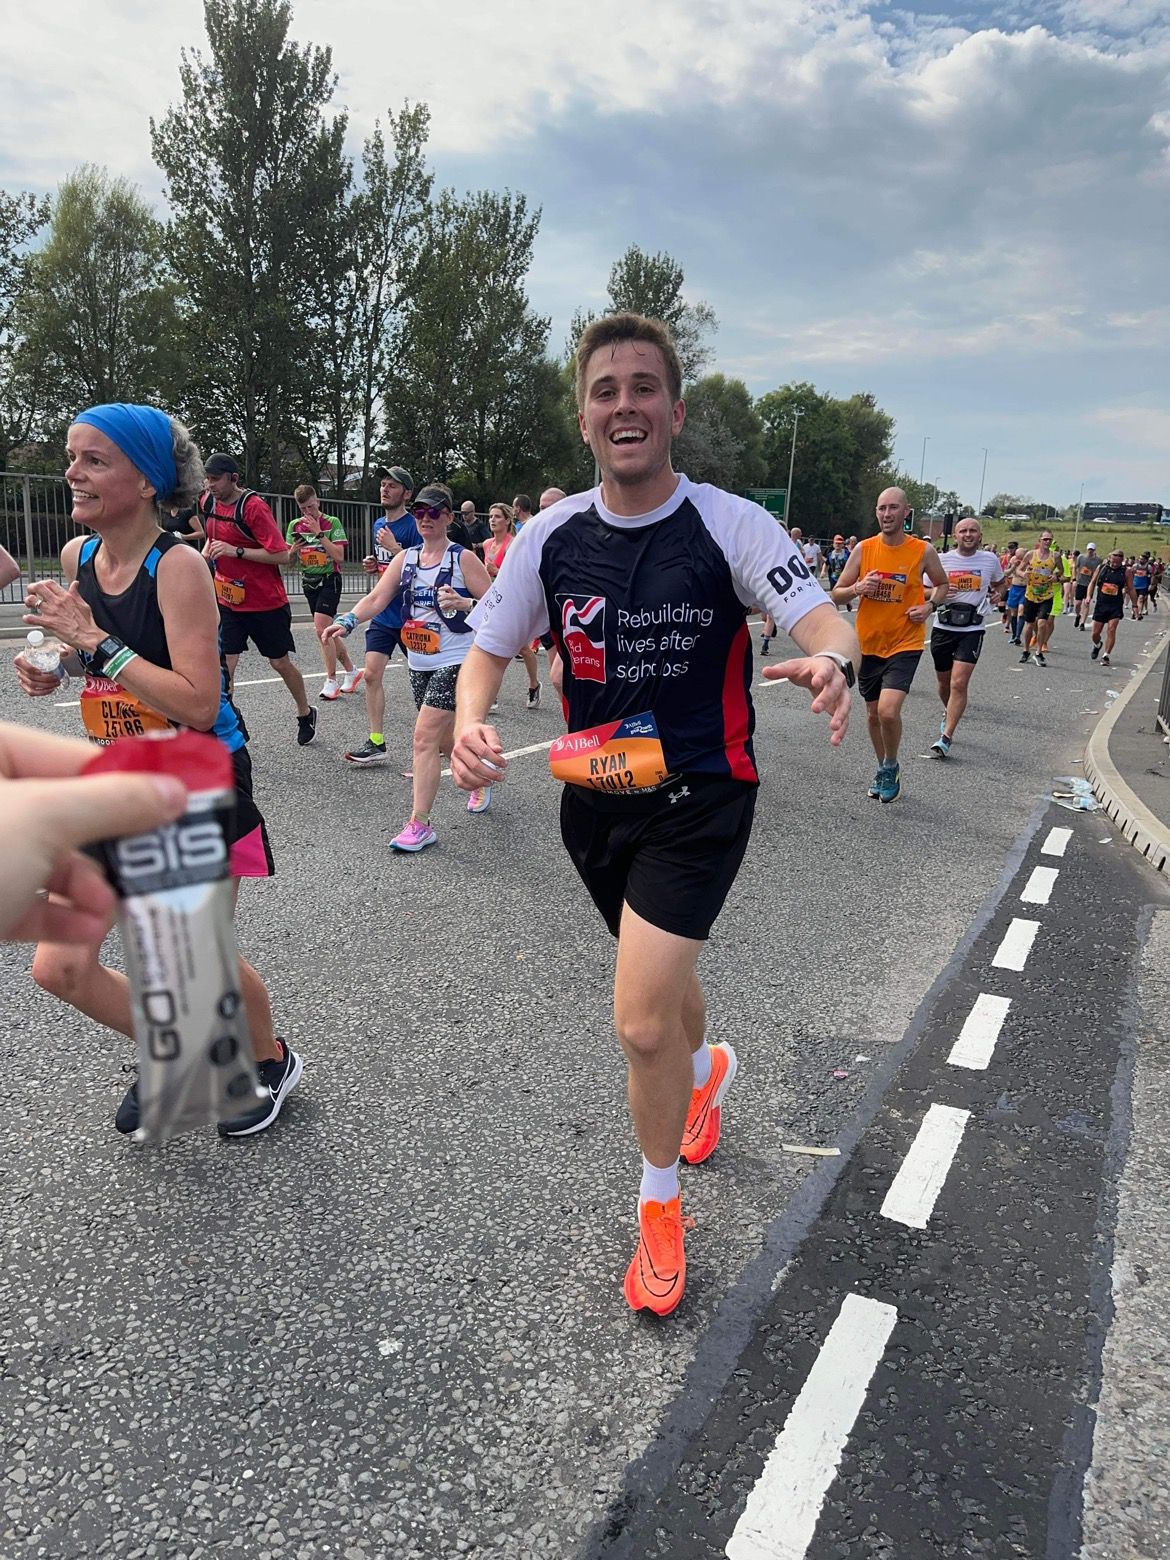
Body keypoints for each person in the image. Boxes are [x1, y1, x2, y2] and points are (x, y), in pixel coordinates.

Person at [451, 312, 858, 1317]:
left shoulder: (727, 525)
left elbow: (819, 614)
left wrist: (833, 660)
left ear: (673, 412)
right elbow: (487, 649)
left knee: (637, 1022)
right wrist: (467, 720)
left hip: (701, 797)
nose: (624, 404)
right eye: (605, 390)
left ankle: (659, 1201)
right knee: (666, 1001)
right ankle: (708, 1069)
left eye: (643, 387)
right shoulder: (549, 538)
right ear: (585, 420)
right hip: (595, 798)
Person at [16, 403, 301, 1137]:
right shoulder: (80, 556)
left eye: (94, 460)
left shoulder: (178, 568)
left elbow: (201, 704)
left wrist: (94, 643)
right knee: (61, 967)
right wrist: (53, 662)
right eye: (72, 456)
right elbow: (88, 653)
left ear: (144, 481)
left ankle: (267, 1060)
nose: (72, 472)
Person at [326, 484, 493, 843]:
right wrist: (348, 621)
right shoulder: (407, 559)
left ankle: (421, 824)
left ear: (448, 517)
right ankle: (481, 774)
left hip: (457, 658)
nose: (425, 519)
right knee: (442, 740)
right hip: (419, 661)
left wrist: (465, 605)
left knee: (422, 737)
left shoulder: (462, 558)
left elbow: (499, 603)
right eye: (419, 512)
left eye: (434, 512)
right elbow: (377, 596)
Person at [0, 722, 188, 942]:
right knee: (58, 969)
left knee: (185, 939)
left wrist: (121, 683)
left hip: (173, 774)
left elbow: (201, 710)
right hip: (104, 777)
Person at [831, 487, 948, 803]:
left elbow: (942, 584)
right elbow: (836, 593)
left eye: (893, 508)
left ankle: (891, 763)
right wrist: (858, 587)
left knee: (887, 710)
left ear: (906, 511)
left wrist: (929, 607)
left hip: (904, 642)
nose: (887, 514)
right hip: (868, 645)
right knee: (872, 715)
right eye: (882, 508)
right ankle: (885, 768)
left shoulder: (921, 551)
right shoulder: (864, 550)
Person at [202, 452, 317, 746]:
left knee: (279, 663)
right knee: (224, 667)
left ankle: (305, 712)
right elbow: (212, 538)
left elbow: (281, 555)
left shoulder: (253, 508)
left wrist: (235, 551)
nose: (210, 485)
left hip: (265, 602)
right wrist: (207, 555)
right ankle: (228, 727)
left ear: (234, 478)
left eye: (215, 479)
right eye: (207, 479)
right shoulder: (207, 502)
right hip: (228, 600)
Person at [345, 466, 422, 765]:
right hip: (383, 614)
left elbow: (424, 571)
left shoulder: (416, 526)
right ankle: (377, 742)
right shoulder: (379, 522)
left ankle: (440, 736)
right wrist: (374, 563)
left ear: (407, 493)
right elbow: (387, 569)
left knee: (423, 682)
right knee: (372, 675)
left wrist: (396, 548)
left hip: (412, 616)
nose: (385, 489)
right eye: (383, 484)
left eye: (392, 485)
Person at [928, 518, 1005, 759]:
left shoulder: (990, 560)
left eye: (973, 531)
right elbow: (922, 589)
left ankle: (946, 737)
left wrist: (998, 595)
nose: (968, 535)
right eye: (963, 531)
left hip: (972, 629)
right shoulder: (942, 560)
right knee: (944, 684)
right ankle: (948, 711)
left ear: (980, 536)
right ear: (955, 535)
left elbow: (1002, 584)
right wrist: (937, 592)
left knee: (959, 684)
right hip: (943, 627)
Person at [286, 484, 359, 701]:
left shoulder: (331, 522)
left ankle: (331, 681)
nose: (308, 512)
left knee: (320, 629)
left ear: (318, 501)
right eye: (303, 509)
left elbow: (339, 556)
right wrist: (292, 551)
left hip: (330, 579)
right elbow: (288, 563)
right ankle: (351, 670)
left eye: (311, 506)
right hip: (309, 581)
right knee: (326, 631)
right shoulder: (295, 526)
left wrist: (319, 533)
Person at [1014, 528, 1060, 665]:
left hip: (1047, 595)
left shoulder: (1055, 556)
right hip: (1031, 594)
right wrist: (1023, 575)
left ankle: (1039, 652)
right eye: (1045, 539)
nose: (1047, 541)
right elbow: (1018, 569)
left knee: (1042, 623)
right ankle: (1026, 650)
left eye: (1049, 539)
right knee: (1029, 624)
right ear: (1039, 541)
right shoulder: (1030, 554)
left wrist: (1056, 577)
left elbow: (1063, 574)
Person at [1088, 548, 1137, 666]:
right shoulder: (1102, 568)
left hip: (1115, 605)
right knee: (1095, 634)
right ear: (1109, 558)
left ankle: (1106, 655)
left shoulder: (1126, 571)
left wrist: (1135, 605)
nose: (1115, 564)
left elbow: (1131, 588)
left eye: (1118, 562)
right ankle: (1097, 645)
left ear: (1122, 561)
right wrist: (1088, 596)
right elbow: (1092, 582)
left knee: (1111, 629)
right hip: (1101, 604)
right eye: (1113, 561)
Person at [821, 533, 852, 609]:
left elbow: (852, 563)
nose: (838, 545)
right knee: (834, 593)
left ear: (842, 545)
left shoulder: (847, 553)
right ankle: (836, 607)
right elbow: (826, 563)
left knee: (844, 592)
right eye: (836, 543)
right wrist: (823, 571)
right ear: (833, 544)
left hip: (844, 576)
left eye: (840, 544)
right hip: (833, 577)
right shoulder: (830, 554)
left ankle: (848, 602)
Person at [1073, 542, 1098, 630]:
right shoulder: (1081, 557)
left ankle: (1082, 623)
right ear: (1087, 549)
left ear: (1094, 550)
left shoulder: (1097, 560)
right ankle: (1078, 615)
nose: (1090, 551)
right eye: (1089, 549)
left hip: (1089, 585)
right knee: (1077, 604)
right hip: (1080, 583)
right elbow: (1075, 567)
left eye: (1092, 549)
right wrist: (1074, 579)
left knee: (1086, 603)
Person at [998, 541, 1020, 635]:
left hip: (1014, 584)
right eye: (1009, 547)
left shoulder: (1020, 558)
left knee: (1011, 607)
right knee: (1001, 607)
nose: (1011, 549)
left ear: (1016, 548)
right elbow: (1001, 569)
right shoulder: (1004, 558)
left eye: (1012, 547)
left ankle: (1007, 625)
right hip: (1004, 583)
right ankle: (1004, 613)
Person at [1132, 552, 1152, 619]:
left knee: (1141, 599)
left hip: (1143, 586)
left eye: (1142, 559)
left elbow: (1150, 576)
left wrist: (1150, 585)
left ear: (1146, 560)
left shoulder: (1148, 567)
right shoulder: (1135, 566)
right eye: (1140, 559)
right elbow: (1131, 575)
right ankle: (1134, 613)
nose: (1141, 560)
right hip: (1135, 585)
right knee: (1135, 600)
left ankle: (1139, 613)